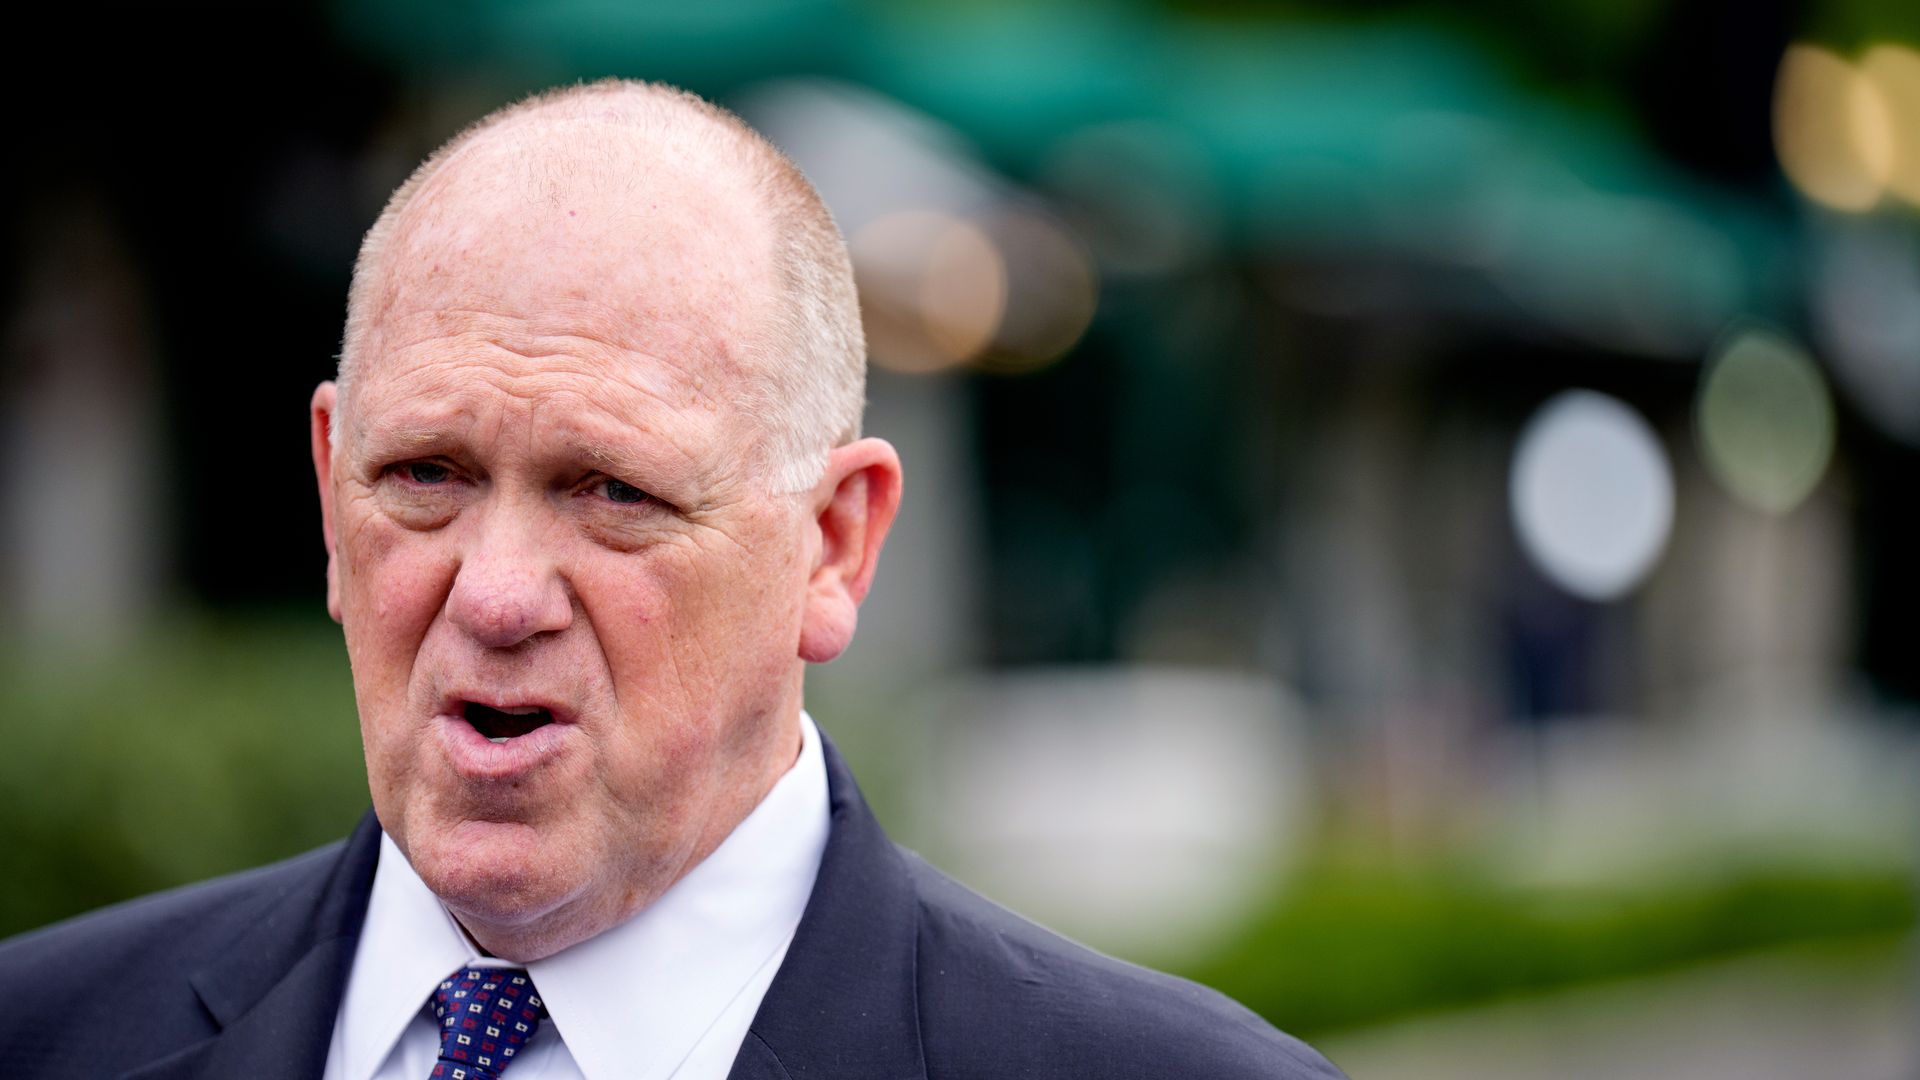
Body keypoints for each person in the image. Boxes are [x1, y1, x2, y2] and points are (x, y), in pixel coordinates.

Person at [0, 79, 1343, 1079]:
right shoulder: (46, 1034)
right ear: (327, 484)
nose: (498, 594)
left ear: (833, 546)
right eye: (425, 478)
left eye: (613, 493)